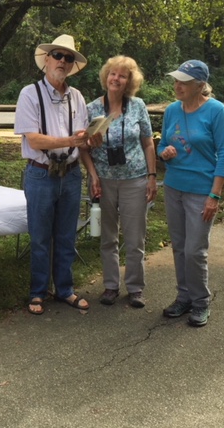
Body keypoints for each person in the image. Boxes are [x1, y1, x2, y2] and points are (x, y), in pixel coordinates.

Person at [14, 34, 101, 315]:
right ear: (46, 60)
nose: (63, 61)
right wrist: (70, 141)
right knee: (40, 237)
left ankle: (64, 289)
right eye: (58, 55)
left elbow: (82, 140)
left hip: (72, 174)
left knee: (66, 236)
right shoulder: (30, 93)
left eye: (69, 57)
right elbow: (35, 140)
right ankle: (38, 292)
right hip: (40, 174)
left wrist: (91, 140)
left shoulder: (76, 96)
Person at [158, 60, 224, 327]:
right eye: (176, 80)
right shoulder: (171, 111)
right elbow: (163, 143)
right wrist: (163, 152)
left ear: (200, 85)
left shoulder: (215, 111)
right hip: (174, 186)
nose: (177, 85)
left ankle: (201, 302)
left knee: (195, 251)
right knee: (179, 247)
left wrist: (215, 195)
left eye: (183, 82)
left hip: (201, 191)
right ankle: (184, 297)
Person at [86, 56, 158, 308]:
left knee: (135, 237)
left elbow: (148, 143)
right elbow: (84, 147)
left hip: (135, 180)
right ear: (106, 76)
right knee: (108, 236)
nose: (116, 78)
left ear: (129, 82)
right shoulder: (92, 108)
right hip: (103, 181)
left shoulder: (138, 106)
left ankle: (136, 288)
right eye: (112, 74)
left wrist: (152, 176)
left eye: (122, 75)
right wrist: (92, 175)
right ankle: (110, 286)